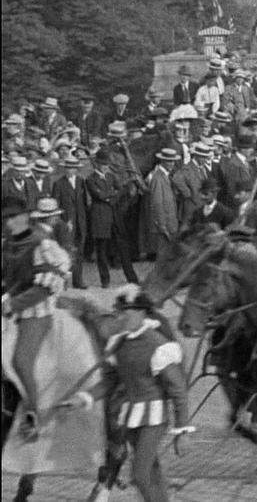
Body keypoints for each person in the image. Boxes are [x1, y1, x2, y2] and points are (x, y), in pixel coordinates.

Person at [89, 287, 193, 502]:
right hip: (131, 415)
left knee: (140, 473)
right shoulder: (119, 343)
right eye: (118, 312)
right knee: (151, 471)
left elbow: (178, 390)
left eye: (124, 312)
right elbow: (109, 381)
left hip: (154, 417)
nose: (120, 317)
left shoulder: (158, 345)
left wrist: (182, 431)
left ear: (140, 313)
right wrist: (85, 398)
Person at [1, 195, 71, 440]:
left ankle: (35, 415)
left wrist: (12, 304)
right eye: (6, 219)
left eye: (13, 218)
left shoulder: (41, 244)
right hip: (10, 307)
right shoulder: (8, 244)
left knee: (21, 360)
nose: (9, 224)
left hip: (36, 312)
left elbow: (45, 287)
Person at [87, 149, 138, 287]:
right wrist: (113, 194)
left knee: (123, 247)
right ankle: (105, 280)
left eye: (106, 164)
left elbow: (120, 190)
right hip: (100, 217)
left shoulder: (111, 177)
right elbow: (100, 196)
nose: (105, 167)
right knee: (101, 250)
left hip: (114, 215)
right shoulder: (90, 179)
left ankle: (132, 278)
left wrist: (111, 195)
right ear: (96, 164)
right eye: (103, 164)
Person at [51, 153, 88, 289]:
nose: (70, 170)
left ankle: (78, 281)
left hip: (80, 222)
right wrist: (64, 222)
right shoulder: (58, 184)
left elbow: (84, 203)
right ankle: (64, 282)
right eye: (68, 167)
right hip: (67, 223)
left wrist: (84, 221)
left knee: (79, 252)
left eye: (73, 167)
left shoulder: (80, 181)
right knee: (66, 252)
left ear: (76, 169)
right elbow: (56, 206)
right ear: (65, 168)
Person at [142, 148, 180, 260]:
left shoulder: (166, 176)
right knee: (164, 256)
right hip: (164, 224)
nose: (172, 164)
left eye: (173, 161)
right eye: (169, 161)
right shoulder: (158, 178)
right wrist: (162, 225)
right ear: (162, 161)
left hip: (170, 222)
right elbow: (157, 203)